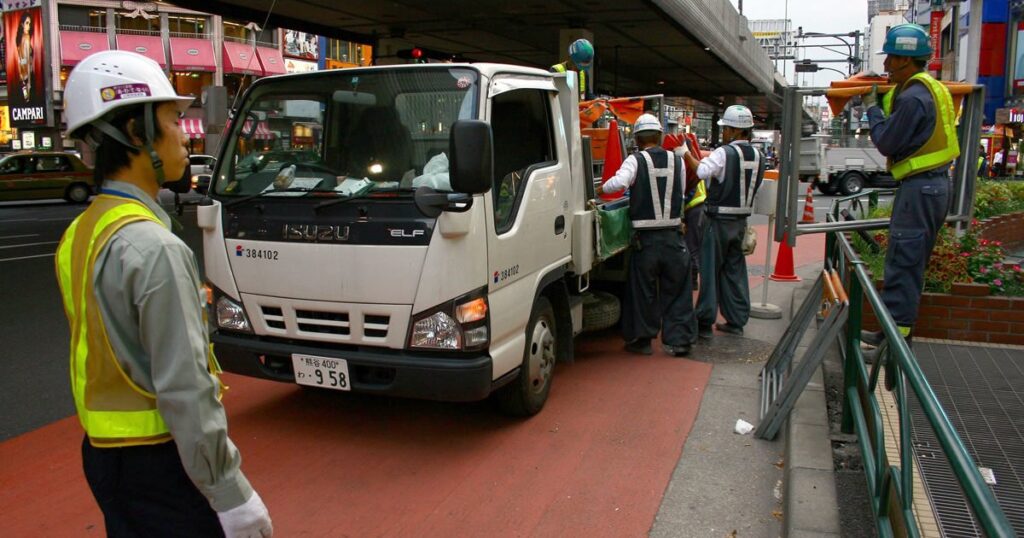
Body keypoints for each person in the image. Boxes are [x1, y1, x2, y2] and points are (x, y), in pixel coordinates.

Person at [55, 50, 273, 537]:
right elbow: (186, 388)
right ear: (135, 133)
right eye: (174, 119)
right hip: (163, 462)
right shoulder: (153, 248)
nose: (182, 133)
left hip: (105, 457)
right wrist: (231, 494)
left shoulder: (82, 232)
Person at [859, 23, 959, 349]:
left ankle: (893, 346)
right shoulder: (930, 88)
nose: (885, 65)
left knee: (903, 262)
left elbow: (887, 141)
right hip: (932, 188)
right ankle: (895, 337)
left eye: (890, 57)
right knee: (910, 262)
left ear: (904, 59)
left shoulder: (914, 97)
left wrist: (872, 108)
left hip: (920, 189)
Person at [597, 113, 695, 356]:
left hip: (646, 241)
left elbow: (618, 184)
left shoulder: (635, 160)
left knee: (643, 292)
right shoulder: (677, 161)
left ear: (638, 139)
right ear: (660, 136)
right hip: (673, 237)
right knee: (677, 291)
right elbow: (681, 193)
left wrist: (599, 189)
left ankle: (642, 341)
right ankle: (679, 341)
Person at [683, 104, 764, 339]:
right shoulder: (758, 156)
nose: (724, 133)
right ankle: (736, 320)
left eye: (726, 128)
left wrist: (685, 153)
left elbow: (701, 172)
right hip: (740, 223)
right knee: (735, 272)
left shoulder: (723, 153)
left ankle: (705, 321)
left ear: (734, 130)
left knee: (709, 271)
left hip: (717, 221)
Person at [15, 12, 34, 101]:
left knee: (25, 99)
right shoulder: (26, 38)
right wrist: (29, 81)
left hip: (22, 74)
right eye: (27, 23)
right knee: (27, 99)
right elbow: (25, 59)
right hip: (26, 74)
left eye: (29, 23)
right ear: (22, 24)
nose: (28, 26)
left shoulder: (20, 38)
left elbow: (21, 60)